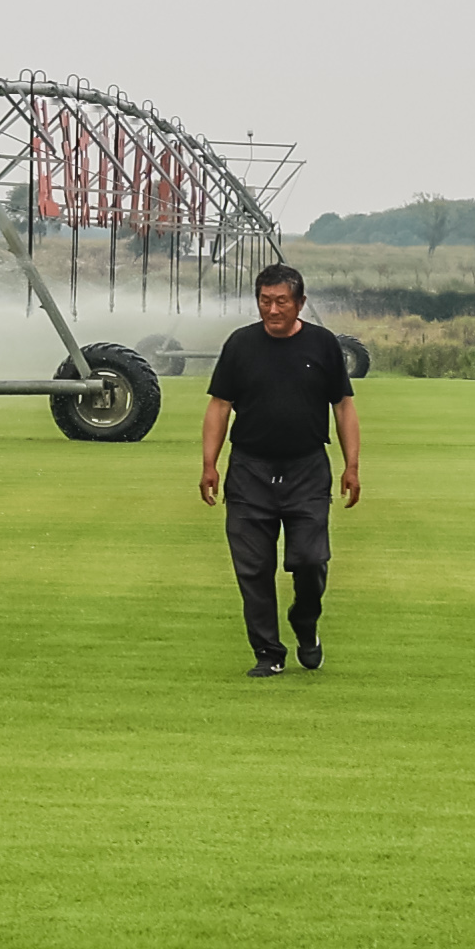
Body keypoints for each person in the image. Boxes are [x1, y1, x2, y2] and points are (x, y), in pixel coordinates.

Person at [198, 261, 364, 677]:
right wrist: (209, 464)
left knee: (310, 560)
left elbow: (343, 405)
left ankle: (305, 622)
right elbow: (220, 405)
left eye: (282, 302)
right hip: (250, 470)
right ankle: (268, 654)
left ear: (300, 303)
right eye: (265, 301)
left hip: (306, 469)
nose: (272, 310)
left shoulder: (323, 345)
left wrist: (352, 466)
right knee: (252, 569)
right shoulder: (240, 345)